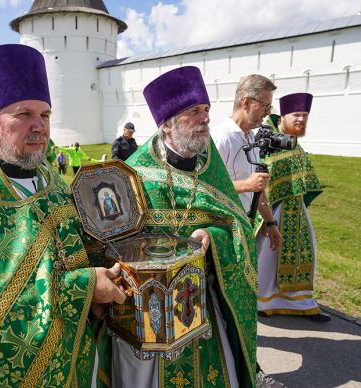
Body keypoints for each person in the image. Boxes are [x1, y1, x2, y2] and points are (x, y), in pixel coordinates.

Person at [0, 44, 126, 387]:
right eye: (24, 115)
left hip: (72, 352)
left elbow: (70, 252)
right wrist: (84, 287)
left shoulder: (51, 180)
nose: (40, 126)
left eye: (46, 115)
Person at [96, 66, 258, 387]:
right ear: (167, 125)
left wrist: (212, 237)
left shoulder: (212, 170)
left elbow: (237, 226)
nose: (205, 119)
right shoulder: (133, 175)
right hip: (147, 316)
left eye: (207, 110)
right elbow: (108, 241)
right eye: (194, 112)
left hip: (201, 308)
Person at [210, 74, 284, 387]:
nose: (267, 112)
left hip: (244, 228)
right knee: (235, 304)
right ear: (246, 102)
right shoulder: (223, 137)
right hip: (223, 232)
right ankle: (251, 373)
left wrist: (270, 223)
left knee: (241, 303)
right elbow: (208, 186)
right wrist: (246, 184)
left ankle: (243, 369)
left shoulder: (249, 138)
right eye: (264, 106)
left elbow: (259, 189)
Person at [257, 93, 330, 321]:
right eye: (296, 115)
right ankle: (262, 300)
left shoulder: (293, 143)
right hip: (271, 210)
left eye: (305, 115)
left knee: (305, 255)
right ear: (284, 116)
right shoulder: (267, 139)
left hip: (296, 210)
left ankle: (302, 303)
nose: (301, 119)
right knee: (267, 257)